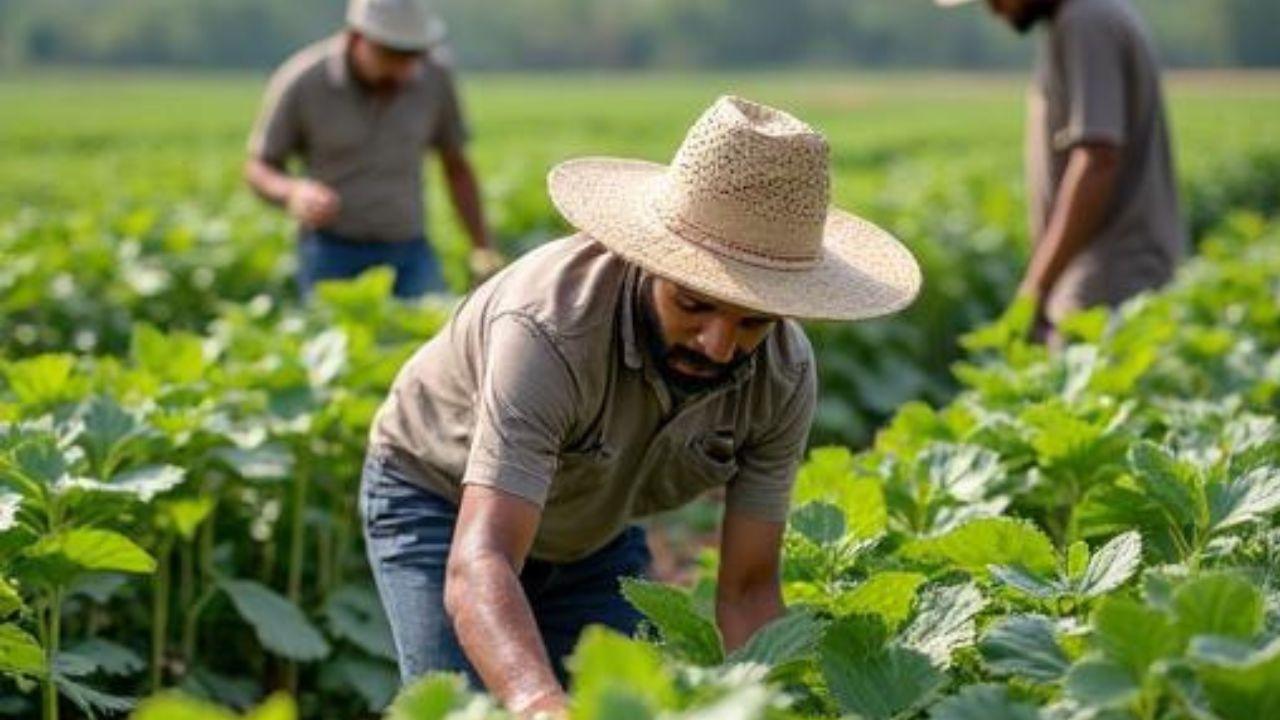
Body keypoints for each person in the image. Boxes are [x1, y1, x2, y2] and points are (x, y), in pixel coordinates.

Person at [360, 95, 921, 717]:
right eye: (694, 305)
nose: (718, 344)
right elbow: (481, 559)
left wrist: (786, 704)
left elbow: (748, 590)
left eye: (753, 320)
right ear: (649, 262)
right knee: (462, 708)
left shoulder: (783, 375)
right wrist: (537, 700)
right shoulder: (548, 333)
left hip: (595, 527)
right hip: (441, 499)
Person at [938, 0, 1186, 343]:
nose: (992, 9)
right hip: (1103, 277)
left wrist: (1036, 286)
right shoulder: (1081, 17)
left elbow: (1098, 162)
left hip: (1108, 284)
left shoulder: (1086, 20)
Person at [244, 0, 499, 298]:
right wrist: (293, 192)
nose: (404, 70)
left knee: (430, 339)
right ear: (356, 38)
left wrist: (482, 247)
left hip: (411, 253)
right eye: (391, 54)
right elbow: (259, 166)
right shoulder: (304, 80)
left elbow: (456, 168)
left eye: (413, 55)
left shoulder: (435, 77)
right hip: (331, 252)